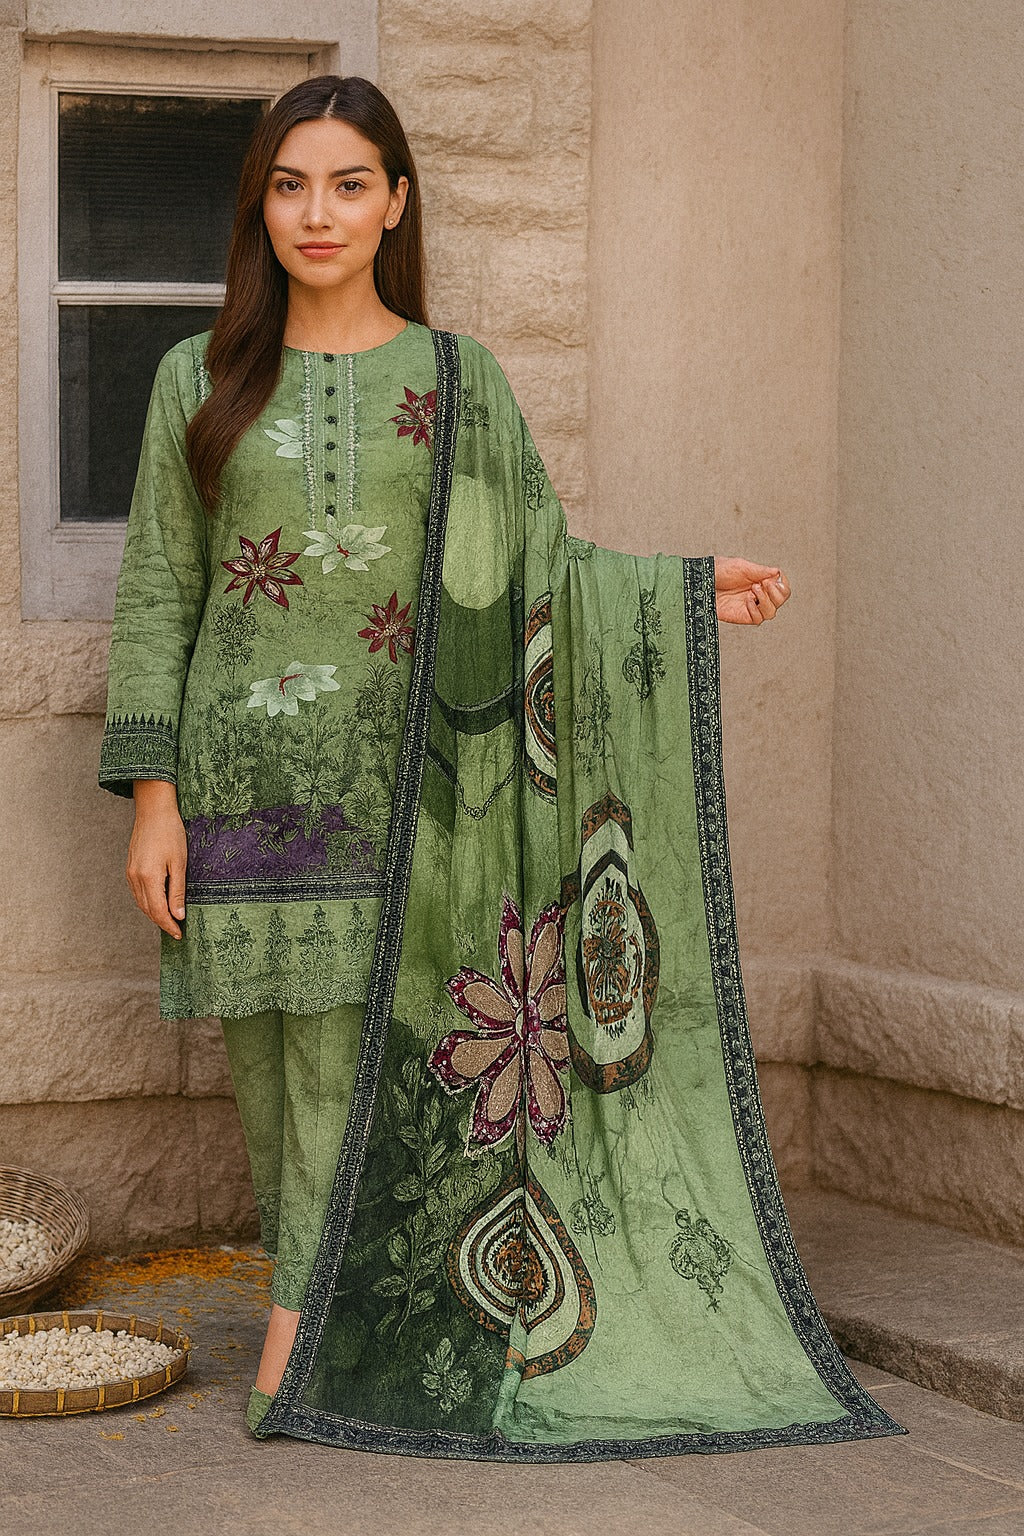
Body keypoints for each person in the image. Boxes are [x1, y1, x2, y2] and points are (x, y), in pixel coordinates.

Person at [99, 74, 903, 1459]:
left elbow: (535, 565)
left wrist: (680, 590)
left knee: (357, 1064)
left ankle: (301, 1324)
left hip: (404, 793)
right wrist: (154, 800)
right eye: (290, 185)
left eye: (350, 184)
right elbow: (161, 594)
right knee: (271, 1070)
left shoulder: (455, 382)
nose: (318, 213)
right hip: (240, 792)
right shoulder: (199, 378)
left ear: (397, 203)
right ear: (260, 207)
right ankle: (323, 1310)